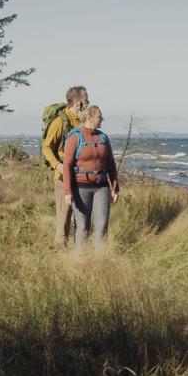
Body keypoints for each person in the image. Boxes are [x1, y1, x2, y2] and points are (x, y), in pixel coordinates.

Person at [63, 105, 119, 252]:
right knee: (83, 226)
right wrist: (67, 191)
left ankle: (99, 261)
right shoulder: (75, 137)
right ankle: (79, 261)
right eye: (99, 117)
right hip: (80, 188)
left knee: (102, 226)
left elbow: (111, 163)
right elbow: (67, 165)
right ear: (89, 117)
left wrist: (115, 188)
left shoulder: (103, 137)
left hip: (101, 187)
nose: (102, 119)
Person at [42, 85, 88, 247]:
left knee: (81, 218)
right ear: (77, 102)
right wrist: (57, 165)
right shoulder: (60, 121)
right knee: (63, 219)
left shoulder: (84, 120)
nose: (88, 103)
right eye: (85, 100)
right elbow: (46, 146)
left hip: (83, 176)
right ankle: (59, 255)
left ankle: (79, 253)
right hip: (63, 177)